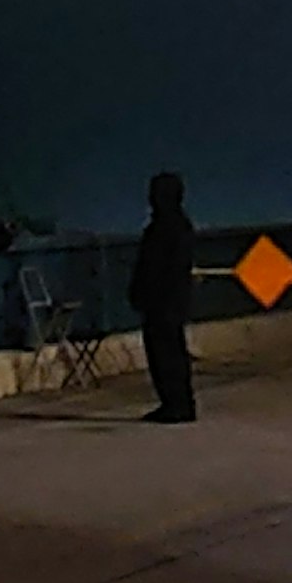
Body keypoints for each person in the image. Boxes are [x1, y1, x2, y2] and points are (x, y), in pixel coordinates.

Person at [128, 168, 199, 424]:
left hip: (162, 301)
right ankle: (178, 402)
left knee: (164, 353)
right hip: (173, 300)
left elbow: (154, 266)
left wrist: (142, 292)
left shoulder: (164, 227)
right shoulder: (181, 224)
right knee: (173, 352)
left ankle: (175, 403)